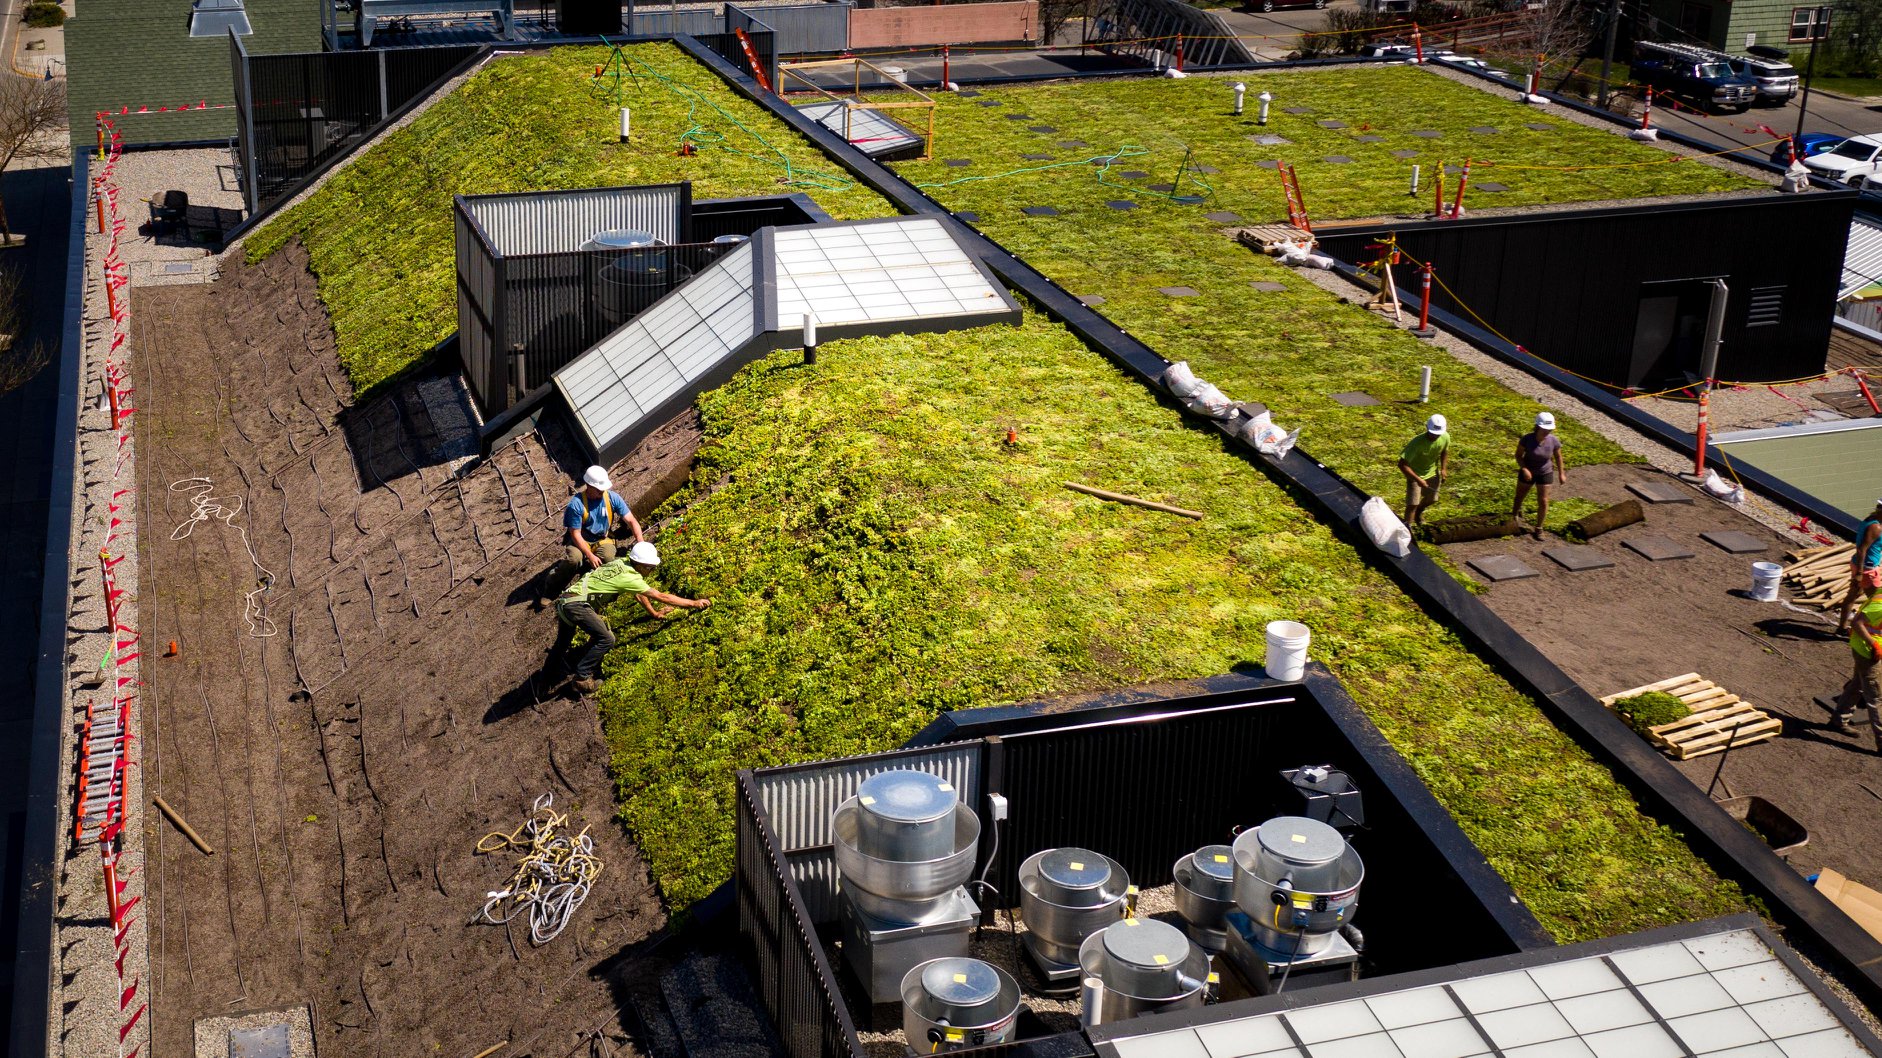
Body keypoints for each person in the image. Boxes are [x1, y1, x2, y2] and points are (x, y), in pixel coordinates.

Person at [552, 541, 711, 693]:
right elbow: (661, 596)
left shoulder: (621, 563)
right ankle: (581, 678)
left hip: (565, 601)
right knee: (607, 639)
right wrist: (694, 603)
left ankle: (547, 676)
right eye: (650, 568)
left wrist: (654, 613)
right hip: (577, 605)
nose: (651, 571)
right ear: (641, 565)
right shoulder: (631, 577)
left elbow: (638, 593)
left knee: (562, 645)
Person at [541, 465, 643, 605]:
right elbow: (575, 534)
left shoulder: (612, 498)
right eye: (599, 489)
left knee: (607, 558)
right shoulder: (576, 505)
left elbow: (631, 520)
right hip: (581, 539)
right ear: (589, 486)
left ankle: (594, 578)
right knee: (574, 560)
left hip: (602, 539)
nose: (602, 492)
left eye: (603, 489)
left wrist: (640, 540)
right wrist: (590, 555)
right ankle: (552, 587)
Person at [1828, 590, 1882, 751]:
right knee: (1876, 698)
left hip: (1862, 648)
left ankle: (1839, 720)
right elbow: (1857, 622)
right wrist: (1873, 644)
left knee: (1857, 685)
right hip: (1868, 653)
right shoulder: (1880, 606)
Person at [1512, 411, 1566, 540]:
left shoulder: (1553, 441)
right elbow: (1518, 456)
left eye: (1549, 429)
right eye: (1545, 429)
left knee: (1543, 500)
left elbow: (1558, 457)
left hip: (1545, 472)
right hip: (1528, 471)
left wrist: (1561, 474)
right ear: (1538, 426)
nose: (1547, 432)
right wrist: (1524, 469)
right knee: (1520, 496)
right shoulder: (1527, 439)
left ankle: (1539, 528)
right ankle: (1514, 516)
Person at [1835, 499, 1882, 636]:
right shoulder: (1876, 527)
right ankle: (1864, 630)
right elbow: (1862, 549)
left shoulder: (1871, 519)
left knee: (1852, 595)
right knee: (1877, 601)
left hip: (1858, 565)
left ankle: (1842, 628)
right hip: (1867, 569)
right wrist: (1860, 573)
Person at [1398, 414, 1451, 528]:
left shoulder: (1445, 437)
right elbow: (1402, 464)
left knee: (1432, 499)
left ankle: (1419, 512)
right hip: (1414, 474)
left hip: (1432, 473)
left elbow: (1444, 451)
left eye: (1437, 434)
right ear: (1427, 428)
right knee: (1413, 504)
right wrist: (1418, 479)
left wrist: (1443, 469)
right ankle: (1407, 529)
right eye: (1432, 433)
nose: (1435, 436)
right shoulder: (1416, 443)